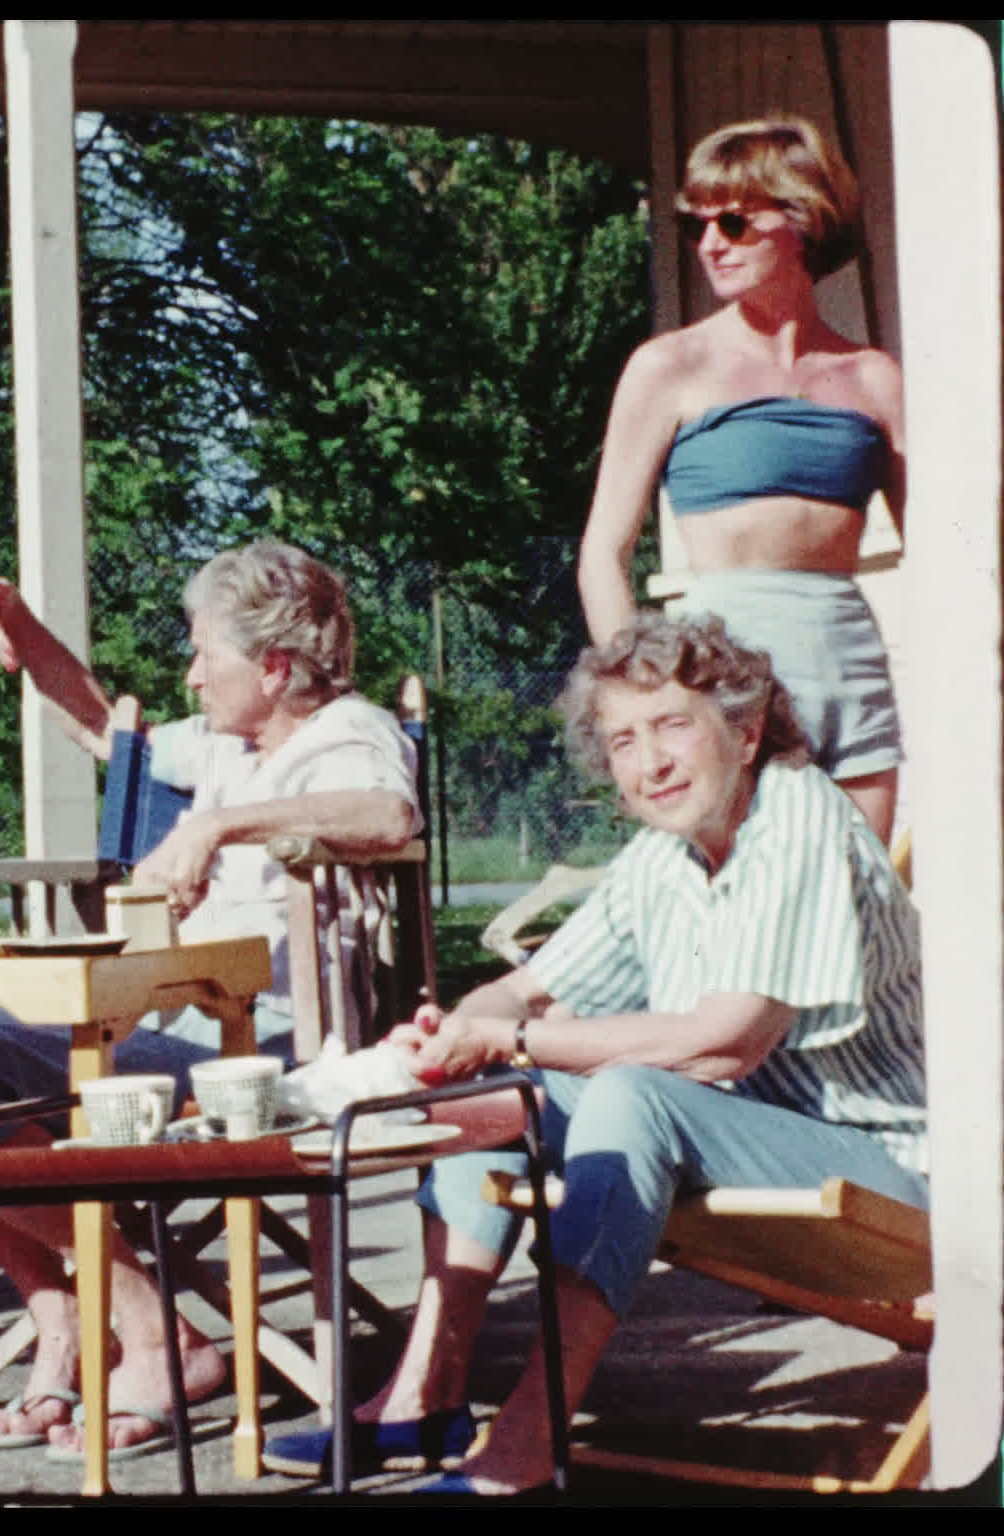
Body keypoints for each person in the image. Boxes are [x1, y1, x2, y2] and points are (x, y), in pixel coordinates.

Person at [262, 612, 927, 1491]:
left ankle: (526, 1445)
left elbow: (724, 1042)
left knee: (627, 1093)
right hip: (756, 1145)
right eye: (623, 740)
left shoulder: (796, 815)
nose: (650, 763)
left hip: (893, 1173)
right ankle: (425, 1394)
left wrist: (512, 1038)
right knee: (492, 1093)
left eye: (673, 725)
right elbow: (527, 990)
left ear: (747, 730)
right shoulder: (665, 857)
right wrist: (451, 1033)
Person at [0, 539, 423, 1458]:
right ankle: (70, 1321)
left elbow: (389, 816)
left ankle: (158, 1338)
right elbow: (101, 725)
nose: (192, 676)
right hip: (163, 1031)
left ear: (276, 668)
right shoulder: (231, 743)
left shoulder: (348, 734)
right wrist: (21, 632)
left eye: (206, 655)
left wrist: (217, 828)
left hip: (260, 1059)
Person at [576, 114, 906, 845]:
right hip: (724, 685)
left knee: (857, 896)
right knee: (739, 899)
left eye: (732, 222)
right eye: (698, 226)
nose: (710, 245)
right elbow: (602, 554)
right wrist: (650, 702)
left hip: (850, 675)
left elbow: (945, 553)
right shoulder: (671, 367)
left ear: (803, 219)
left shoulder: (874, 379)